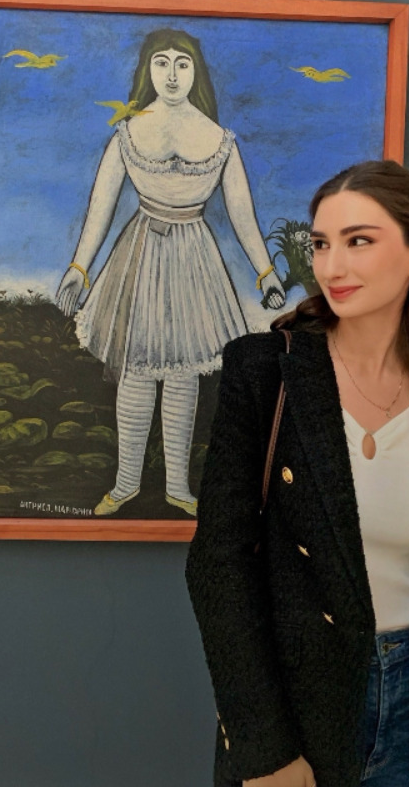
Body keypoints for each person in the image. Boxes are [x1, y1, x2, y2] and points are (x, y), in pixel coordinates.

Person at [186, 160, 409, 787]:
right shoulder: (265, 372)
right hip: (302, 711)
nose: (332, 266)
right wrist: (265, 749)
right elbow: (217, 566)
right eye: (320, 244)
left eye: (358, 241)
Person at [56, 29, 284, 518]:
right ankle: (125, 484)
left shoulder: (220, 140)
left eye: (183, 63)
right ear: (148, 70)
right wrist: (79, 268)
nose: (173, 74)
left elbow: (242, 214)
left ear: (196, 72)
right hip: (138, 256)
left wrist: (266, 271)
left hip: (194, 260)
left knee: (182, 373)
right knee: (136, 368)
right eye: (162, 62)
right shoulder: (127, 133)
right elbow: (100, 207)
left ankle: (178, 487)